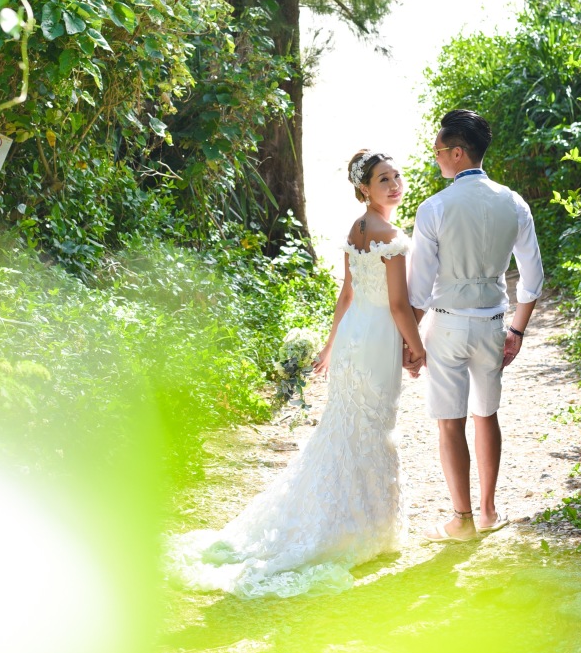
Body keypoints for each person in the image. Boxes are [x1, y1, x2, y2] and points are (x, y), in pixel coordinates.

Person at [167, 150, 426, 599]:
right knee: (374, 427)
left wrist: (331, 344)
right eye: (384, 179)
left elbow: (346, 293)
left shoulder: (356, 228)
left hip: (352, 338)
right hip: (378, 337)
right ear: (364, 187)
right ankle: (366, 528)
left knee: (349, 427)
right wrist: (418, 350)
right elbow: (400, 306)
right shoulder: (391, 235)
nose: (395, 184)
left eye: (397, 176)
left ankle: (359, 522)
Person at [407, 109, 544, 543]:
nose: (436, 160)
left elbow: (419, 288)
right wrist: (517, 331)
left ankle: (461, 520)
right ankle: (488, 511)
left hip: (447, 325)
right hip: (492, 325)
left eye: (439, 152)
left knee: (450, 422)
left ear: (458, 152)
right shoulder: (514, 202)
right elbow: (533, 277)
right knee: (486, 414)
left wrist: (410, 343)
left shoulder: (435, 208)